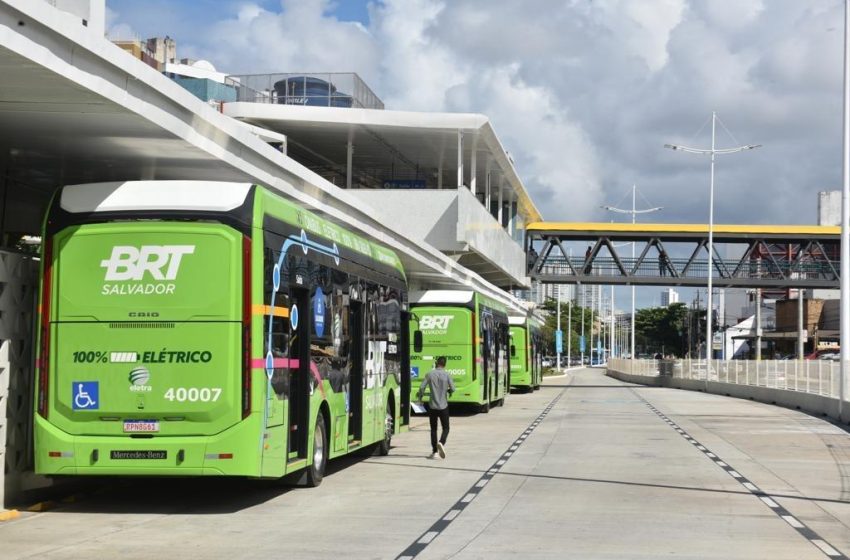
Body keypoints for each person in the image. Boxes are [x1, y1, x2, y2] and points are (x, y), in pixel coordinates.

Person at [417, 356, 455, 459]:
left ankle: (434, 452)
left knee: (433, 429)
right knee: (446, 428)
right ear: (445, 364)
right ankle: (441, 442)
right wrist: (449, 392)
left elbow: (421, 387)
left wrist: (420, 396)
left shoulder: (430, 374)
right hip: (444, 406)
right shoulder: (447, 375)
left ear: (436, 363)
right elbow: (453, 388)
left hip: (432, 406)